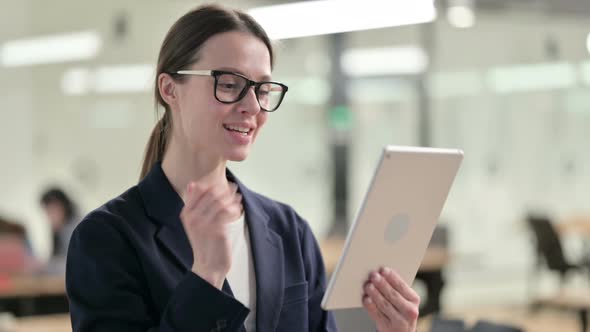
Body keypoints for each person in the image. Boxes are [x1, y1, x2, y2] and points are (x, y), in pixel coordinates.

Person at [65, 4, 420, 332]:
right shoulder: (107, 238)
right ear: (170, 89)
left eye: (263, 89)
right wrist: (207, 276)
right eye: (230, 84)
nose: (252, 106)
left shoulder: (289, 230)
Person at [40, 187, 79, 262]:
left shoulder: (76, 229)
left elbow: (73, 263)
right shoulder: (59, 229)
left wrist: (45, 266)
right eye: (47, 211)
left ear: (65, 208)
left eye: (53, 210)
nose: (50, 216)